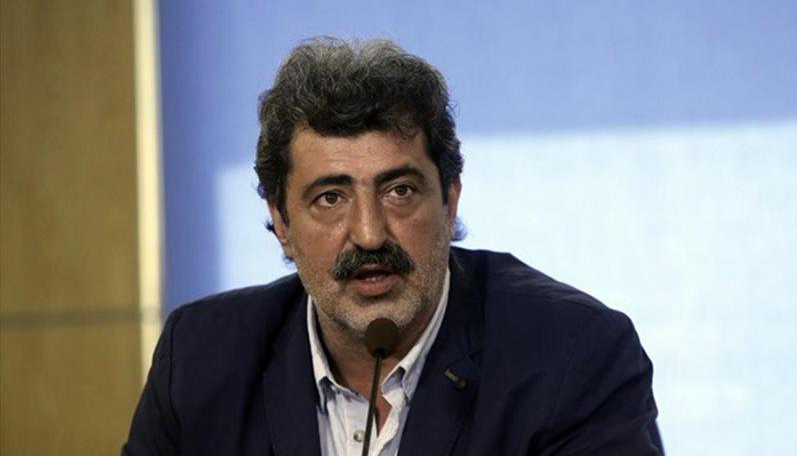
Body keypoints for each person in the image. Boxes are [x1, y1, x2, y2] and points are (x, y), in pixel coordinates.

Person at [123, 37, 663, 456]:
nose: (369, 233)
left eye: (399, 190)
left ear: (449, 200)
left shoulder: (572, 355)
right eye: (330, 198)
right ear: (281, 221)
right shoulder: (202, 361)